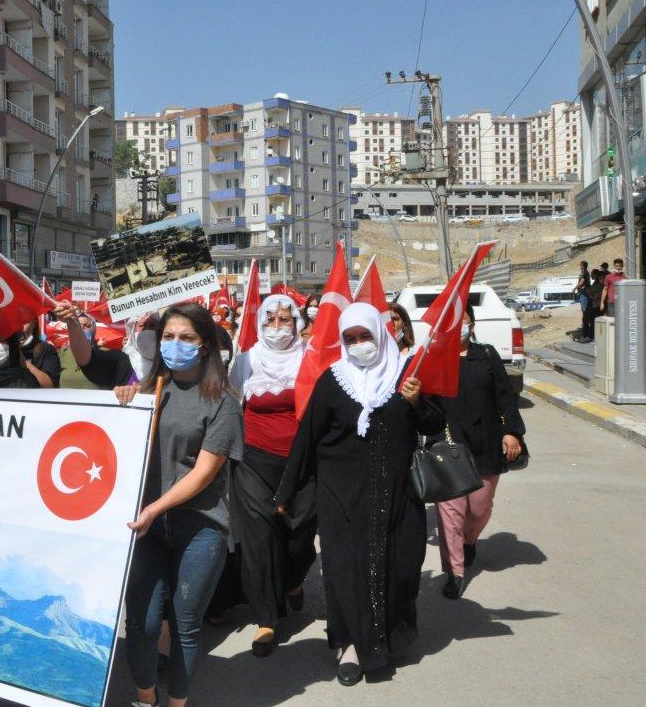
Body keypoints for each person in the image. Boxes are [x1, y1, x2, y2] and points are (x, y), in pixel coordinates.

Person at [276, 303, 444, 686]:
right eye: (350, 338)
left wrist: (417, 401)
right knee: (346, 571)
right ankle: (349, 644)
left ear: (380, 334)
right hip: (341, 496)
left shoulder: (406, 374)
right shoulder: (333, 380)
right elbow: (308, 438)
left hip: (397, 495)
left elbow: (436, 424)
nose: (358, 345)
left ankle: (388, 633)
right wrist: (287, 489)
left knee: (401, 565)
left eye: (365, 336)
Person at [112, 303, 242, 707]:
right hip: (147, 529)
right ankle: (145, 697)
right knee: (143, 622)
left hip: (200, 527)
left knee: (184, 626)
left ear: (205, 346)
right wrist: (124, 401)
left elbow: (203, 474)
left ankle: (176, 703)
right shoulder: (149, 392)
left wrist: (155, 508)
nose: (175, 344)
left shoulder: (224, 401)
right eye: (168, 336)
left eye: (187, 338)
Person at [216, 294, 315, 656]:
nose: (277, 327)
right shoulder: (246, 361)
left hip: (303, 464)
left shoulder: (310, 358)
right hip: (253, 462)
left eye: (285, 319)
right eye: (270, 320)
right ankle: (267, 619)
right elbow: (229, 403)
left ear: (298, 323)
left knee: (300, 536)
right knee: (259, 540)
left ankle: (292, 581)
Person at [435, 305, 525, 598]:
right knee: (451, 512)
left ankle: (469, 540)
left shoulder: (486, 355)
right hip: (448, 446)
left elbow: (504, 396)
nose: (458, 326)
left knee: (479, 508)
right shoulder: (435, 358)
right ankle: (455, 572)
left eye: (463, 320)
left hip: (486, 443)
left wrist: (512, 432)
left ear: (471, 324)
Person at [56, 300, 135, 388]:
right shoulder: (64, 351)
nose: (82, 329)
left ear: (94, 330)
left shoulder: (106, 354)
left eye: (87, 326)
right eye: (79, 325)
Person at [19, 318, 61, 388]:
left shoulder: (46, 349)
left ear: (34, 323)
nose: (19, 327)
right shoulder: (3, 347)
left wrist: (22, 360)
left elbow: (50, 386)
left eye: (23, 321)